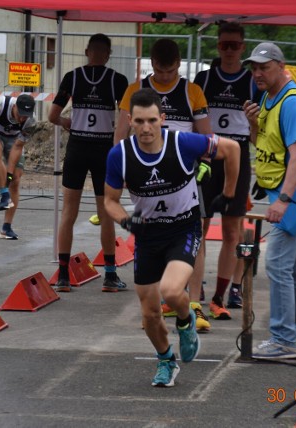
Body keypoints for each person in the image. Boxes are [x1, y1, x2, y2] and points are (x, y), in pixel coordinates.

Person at [104, 88, 240, 386]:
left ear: (163, 118)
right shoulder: (120, 155)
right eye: (139, 121)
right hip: (148, 234)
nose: (146, 128)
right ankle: (166, 360)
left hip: (183, 228)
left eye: (152, 120)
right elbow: (110, 201)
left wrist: (228, 195)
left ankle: (185, 320)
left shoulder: (182, 143)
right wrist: (127, 221)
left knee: (170, 289)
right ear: (130, 120)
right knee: (150, 314)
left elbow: (232, 149)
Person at [114, 38, 213, 331]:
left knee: (196, 231)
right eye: (159, 70)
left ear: (179, 65)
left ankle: (194, 302)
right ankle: (154, 308)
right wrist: (121, 169)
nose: (165, 76)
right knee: (150, 233)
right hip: (146, 172)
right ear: (151, 64)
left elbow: (206, 137)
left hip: (184, 174)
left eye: (170, 71)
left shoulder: (192, 91)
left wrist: (203, 165)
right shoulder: (135, 90)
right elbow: (120, 135)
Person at [243, 42, 296, 359]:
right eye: (254, 67)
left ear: (281, 66)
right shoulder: (268, 97)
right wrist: (252, 123)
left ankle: (283, 340)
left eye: (264, 67)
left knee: (276, 263)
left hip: (294, 192)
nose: (257, 73)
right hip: (284, 189)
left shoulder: (292, 103)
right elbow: (263, 143)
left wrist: (284, 201)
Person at [48, 33, 129, 292]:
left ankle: (62, 275)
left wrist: (66, 122)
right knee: (106, 212)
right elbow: (126, 117)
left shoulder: (72, 77)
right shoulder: (118, 80)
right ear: (108, 54)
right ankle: (110, 275)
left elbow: (52, 115)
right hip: (104, 149)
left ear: (86, 51)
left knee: (68, 212)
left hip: (77, 148)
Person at [193, 22, 262, 321]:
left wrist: (255, 123)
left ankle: (223, 294)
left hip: (239, 159)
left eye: (235, 45)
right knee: (200, 228)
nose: (230, 50)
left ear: (243, 48)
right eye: (224, 45)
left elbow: (259, 137)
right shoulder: (204, 79)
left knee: (233, 231)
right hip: (208, 158)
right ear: (218, 47)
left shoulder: (252, 82)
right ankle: (196, 291)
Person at [0, 93, 36, 239]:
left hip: (14, 140)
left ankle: (6, 228)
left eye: (26, 116)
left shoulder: (30, 122)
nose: (22, 118)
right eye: (20, 114)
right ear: (14, 107)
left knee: (16, 180)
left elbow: (18, 147)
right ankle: (4, 193)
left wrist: (10, 174)